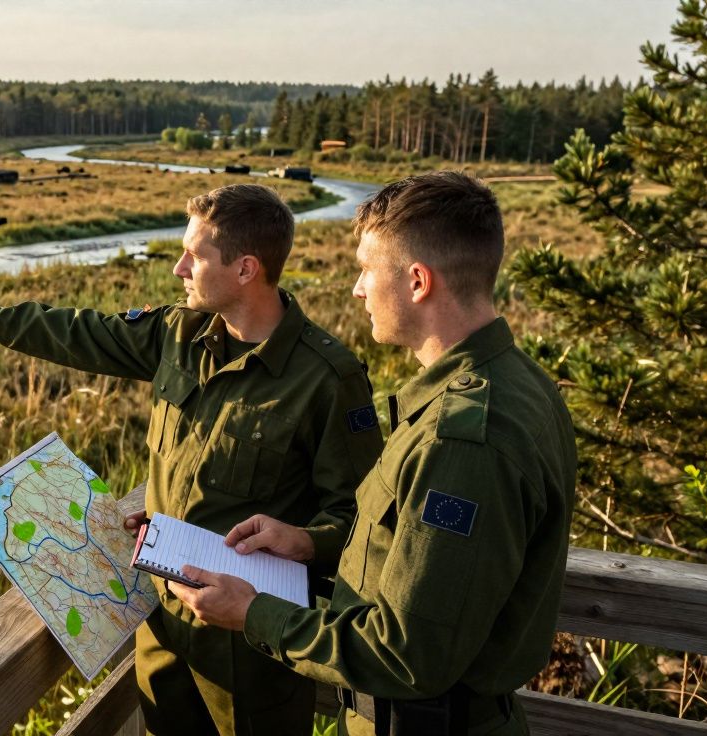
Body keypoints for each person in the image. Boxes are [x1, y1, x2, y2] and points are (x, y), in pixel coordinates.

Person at [0, 183, 383, 735]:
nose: (178, 268)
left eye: (194, 255)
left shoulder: (327, 379)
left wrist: (306, 540)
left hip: (251, 643)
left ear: (246, 269)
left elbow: (363, 527)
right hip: (161, 622)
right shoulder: (180, 334)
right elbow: (76, 332)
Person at [168, 171, 577, 736]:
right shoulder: (517, 382)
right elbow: (410, 554)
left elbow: (407, 654)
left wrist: (253, 613)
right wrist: (311, 541)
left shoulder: (462, 439)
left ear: (416, 281)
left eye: (366, 270)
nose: (358, 289)